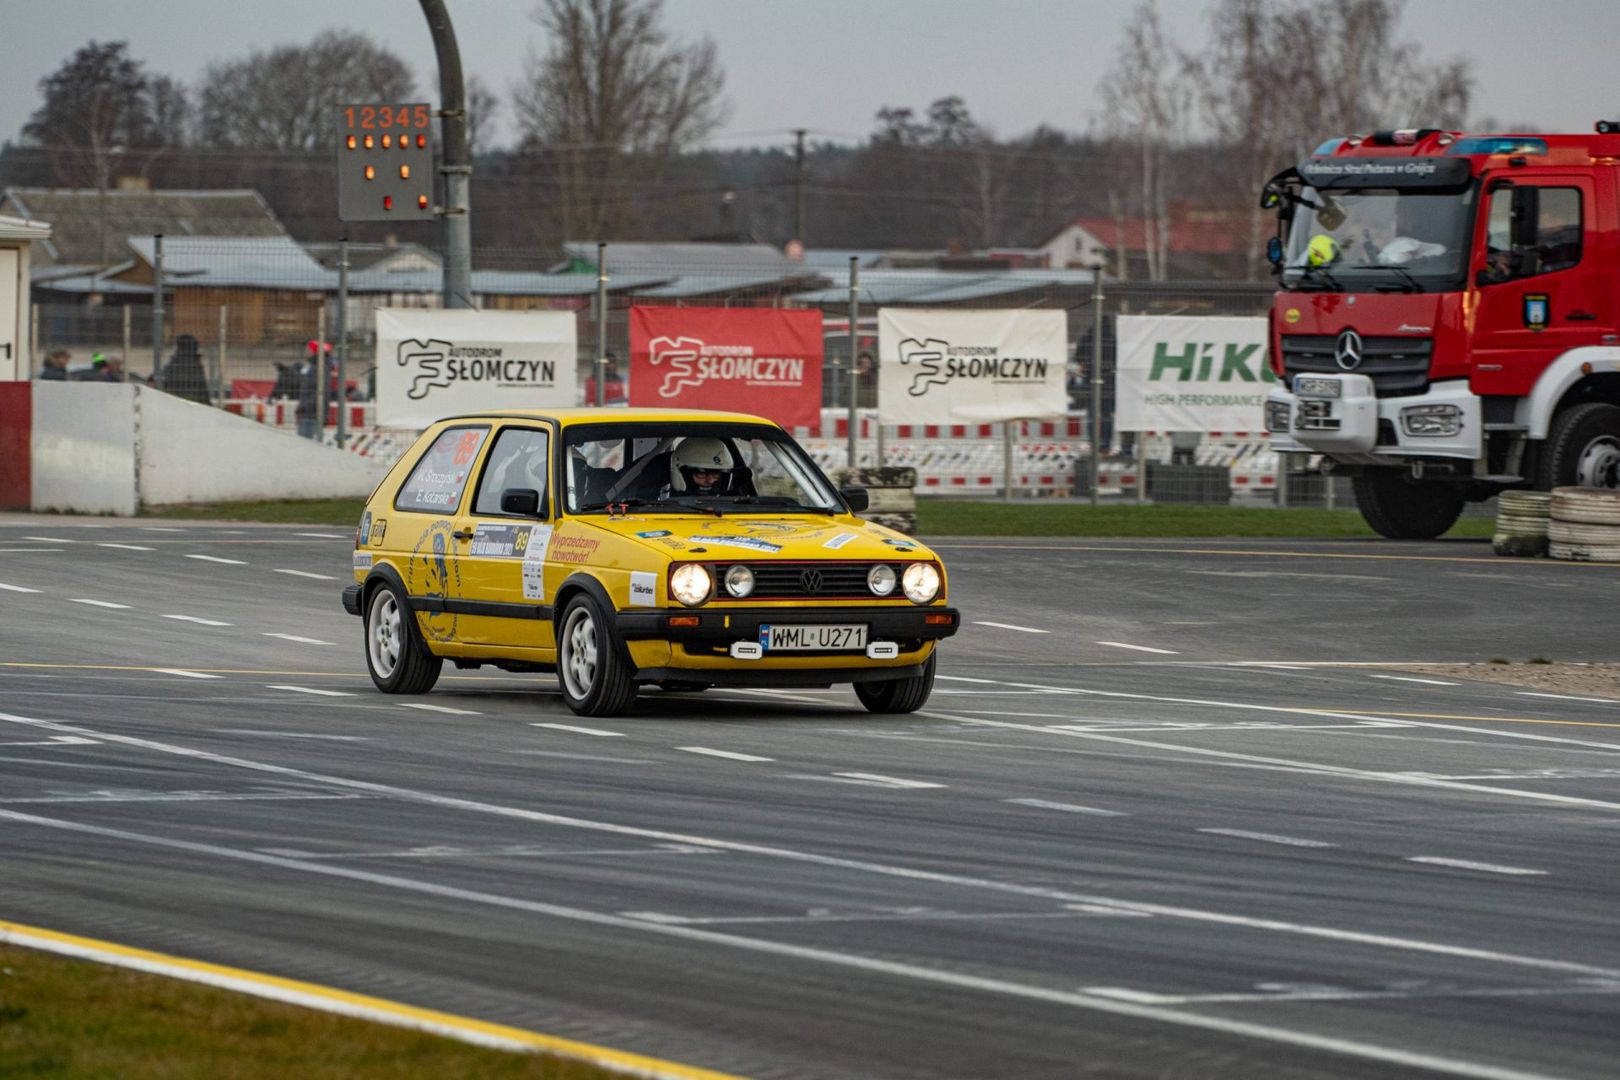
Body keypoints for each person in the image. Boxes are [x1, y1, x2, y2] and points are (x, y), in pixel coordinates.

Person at [663, 437, 737, 497]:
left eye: (716, 475)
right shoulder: (661, 506)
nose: (710, 481)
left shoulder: (734, 503)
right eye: (701, 474)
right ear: (680, 473)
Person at [160, 334, 211, 403]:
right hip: (194, 401)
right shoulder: (195, 364)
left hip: (172, 400)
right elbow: (203, 389)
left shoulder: (173, 363)